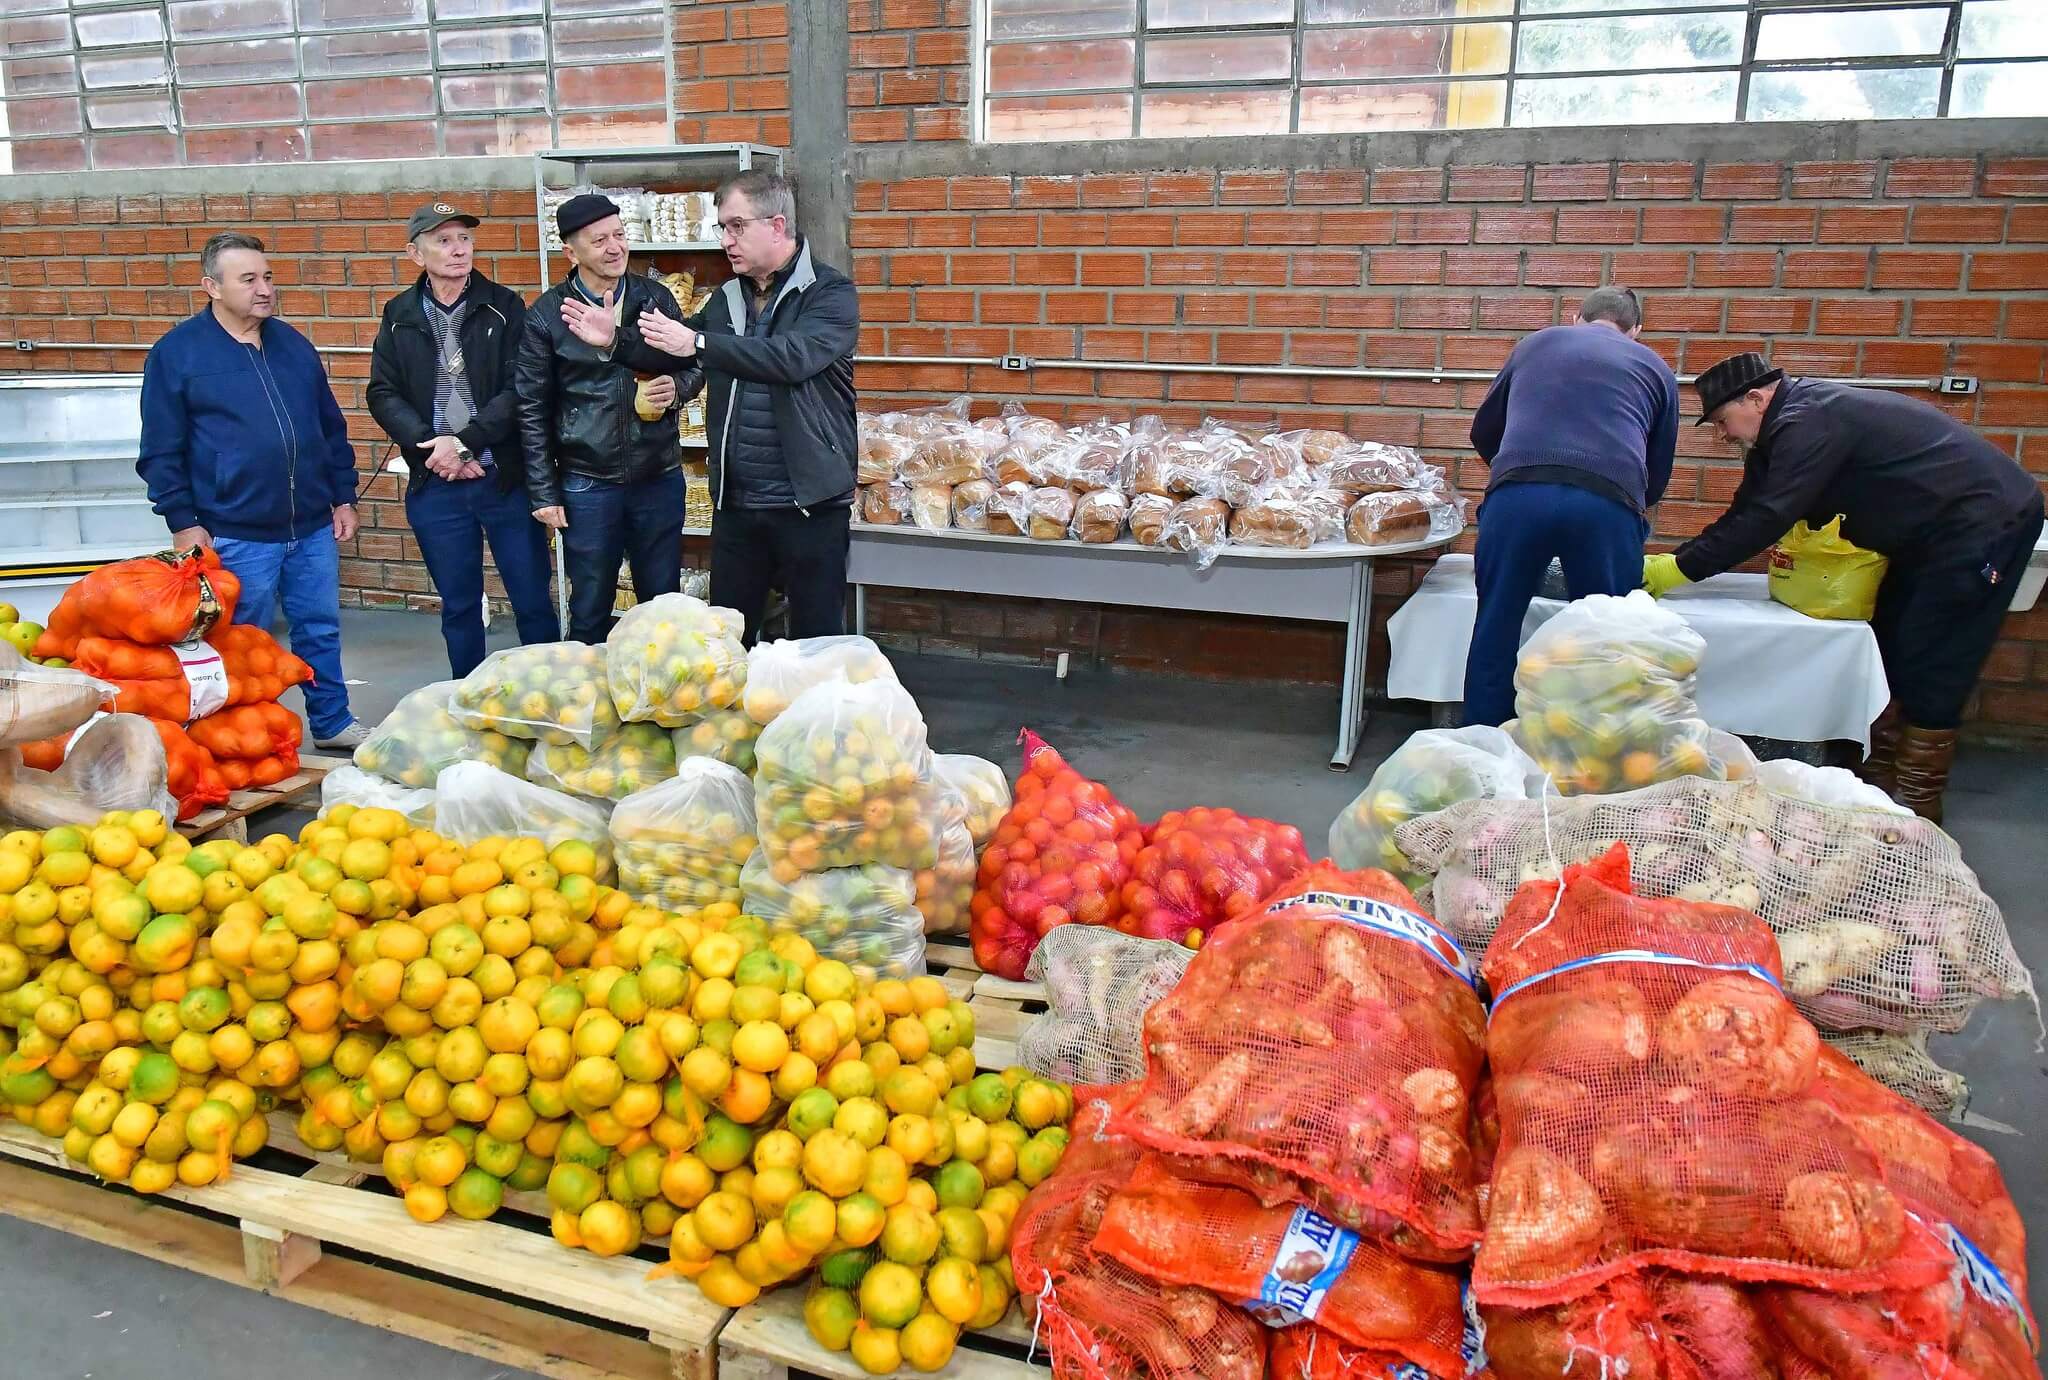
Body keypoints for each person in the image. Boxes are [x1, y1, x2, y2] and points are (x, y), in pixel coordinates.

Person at [1644, 352, 2045, 821]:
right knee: (1890, 635)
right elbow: (1750, 508)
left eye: (1722, 420)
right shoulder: (1778, 432)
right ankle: (1876, 780)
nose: (1723, 434)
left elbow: (1770, 516)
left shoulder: (1807, 421)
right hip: (1926, 533)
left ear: (1756, 398)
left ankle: (1917, 804)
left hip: (1983, 521)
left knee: (1936, 653)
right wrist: (1679, 561)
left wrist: (1680, 569)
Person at [559, 170, 860, 645]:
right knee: (726, 641)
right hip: (738, 502)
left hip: (809, 502)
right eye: (722, 228)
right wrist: (616, 341)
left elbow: (793, 358)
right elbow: (672, 349)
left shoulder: (829, 293)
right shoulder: (728, 296)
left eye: (737, 226)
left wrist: (696, 341)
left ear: (777, 226)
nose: (725, 240)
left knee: (814, 642)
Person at [137, 230, 368, 750]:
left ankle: (332, 723)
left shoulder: (292, 344)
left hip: (309, 524)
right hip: (235, 532)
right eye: (249, 279)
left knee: (319, 631)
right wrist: (183, 521)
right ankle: (241, 738)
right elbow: (160, 449)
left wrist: (342, 494)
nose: (264, 288)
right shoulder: (178, 354)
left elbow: (328, 427)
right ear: (211, 287)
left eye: (267, 277)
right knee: (239, 644)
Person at [1461, 286, 1680, 727]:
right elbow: (1656, 474)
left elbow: (1484, 431)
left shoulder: (1536, 343)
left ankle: (1484, 752)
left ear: (1576, 317)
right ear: (1635, 330)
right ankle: (1595, 754)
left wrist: (1521, 473)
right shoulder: (1656, 368)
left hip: (1519, 497)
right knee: (1606, 637)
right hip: (1607, 503)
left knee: (1496, 624)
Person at [368, 201, 557, 678]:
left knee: (532, 599)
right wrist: (432, 445)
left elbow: (521, 388)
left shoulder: (505, 305)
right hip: (437, 482)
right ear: (416, 253)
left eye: (465, 239)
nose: (458, 250)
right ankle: (467, 699)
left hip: (503, 481)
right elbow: (382, 392)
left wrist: (467, 442)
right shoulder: (399, 314)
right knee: (459, 606)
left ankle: (549, 696)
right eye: (444, 240)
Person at [515, 193, 692, 644]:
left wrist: (680, 389)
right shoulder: (546, 316)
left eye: (619, 235)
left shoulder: (655, 299)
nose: (615, 247)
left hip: (658, 473)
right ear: (571, 252)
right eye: (600, 240)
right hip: (587, 481)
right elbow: (531, 406)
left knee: (661, 603)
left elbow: (693, 364)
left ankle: (661, 696)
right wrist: (542, 490)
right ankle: (587, 702)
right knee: (591, 601)